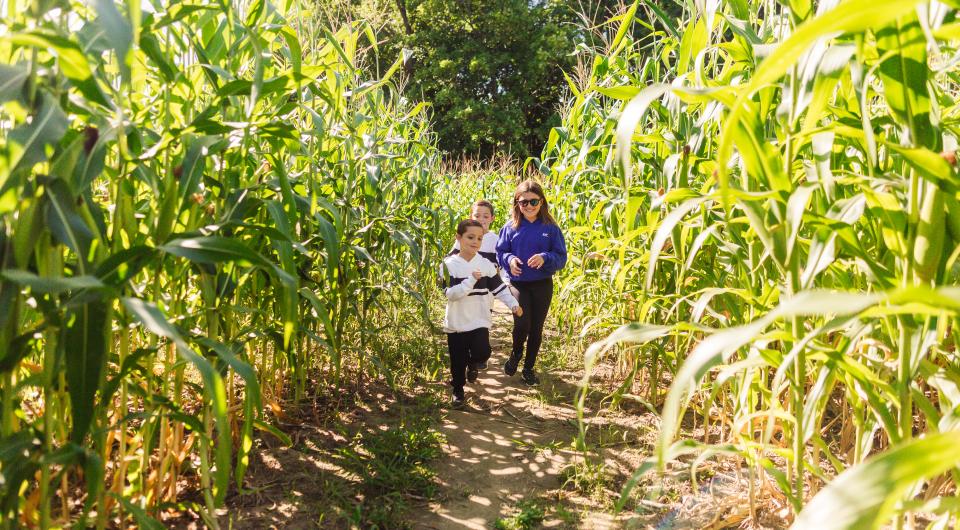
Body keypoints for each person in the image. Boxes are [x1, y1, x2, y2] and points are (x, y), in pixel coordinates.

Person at [440, 219, 523, 407]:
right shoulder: (448, 265)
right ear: (458, 238)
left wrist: (513, 304)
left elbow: (500, 288)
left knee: (483, 352)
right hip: (457, 323)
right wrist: (470, 280)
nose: (475, 241)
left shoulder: (485, 264)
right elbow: (452, 294)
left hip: (479, 319)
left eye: (479, 238)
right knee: (457, 362)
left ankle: (472, 363)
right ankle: (458, 391)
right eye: (470, 237)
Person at [496, 180, 567, 386]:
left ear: (542, 202)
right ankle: (516, 354)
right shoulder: (509, 228)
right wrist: (509, 260)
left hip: (542, 284)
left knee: (536, 329)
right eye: (523, 202)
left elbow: (561, 257)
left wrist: (545, 257)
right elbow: (501, 253)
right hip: (518, 284)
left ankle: (528, 368)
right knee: (521, 324)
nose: (528, 206)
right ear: (517, 203)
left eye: (533, 201)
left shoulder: (551, 229)